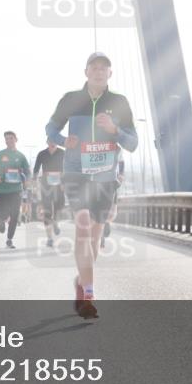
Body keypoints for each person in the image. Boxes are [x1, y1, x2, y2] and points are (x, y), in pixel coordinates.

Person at [45, 52, 137, 319]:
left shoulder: (119, 103)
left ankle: (82, 280)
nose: (99, 72)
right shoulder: (71, 99)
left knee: (95, 236)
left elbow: (132, 143)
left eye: (104, 68)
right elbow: (50, 128)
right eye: (94, 68)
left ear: (110, 74)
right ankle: (88, 295)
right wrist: (63, 140)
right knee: (83, 225)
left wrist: (115, 130)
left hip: (105, 178)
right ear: (86, 72)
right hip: (76, 173)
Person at [0, 131, 31, 249]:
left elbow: (28, 171)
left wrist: (27, 180)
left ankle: (9, 239)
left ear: (16, 139)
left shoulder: (21, 156)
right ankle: (2, 220)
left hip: (16, 189)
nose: (8, 140)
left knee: (15, 214)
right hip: (2, 189)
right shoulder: (0, 154)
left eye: (11, 138)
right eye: (6, 138)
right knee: (4, 212)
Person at [33, 139, 66, 247]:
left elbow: (68, 167)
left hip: (59, 184)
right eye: (50, 141)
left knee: (60, 206)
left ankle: (55, 222)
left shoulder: (62, 153)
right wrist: (34, 179)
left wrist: (65, 182)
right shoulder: (42, 154)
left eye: (54, 140)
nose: (52, 143)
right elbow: (36, 168)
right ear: (47, 142)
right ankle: (49, 238)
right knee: (47, 211)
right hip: (46, 184)